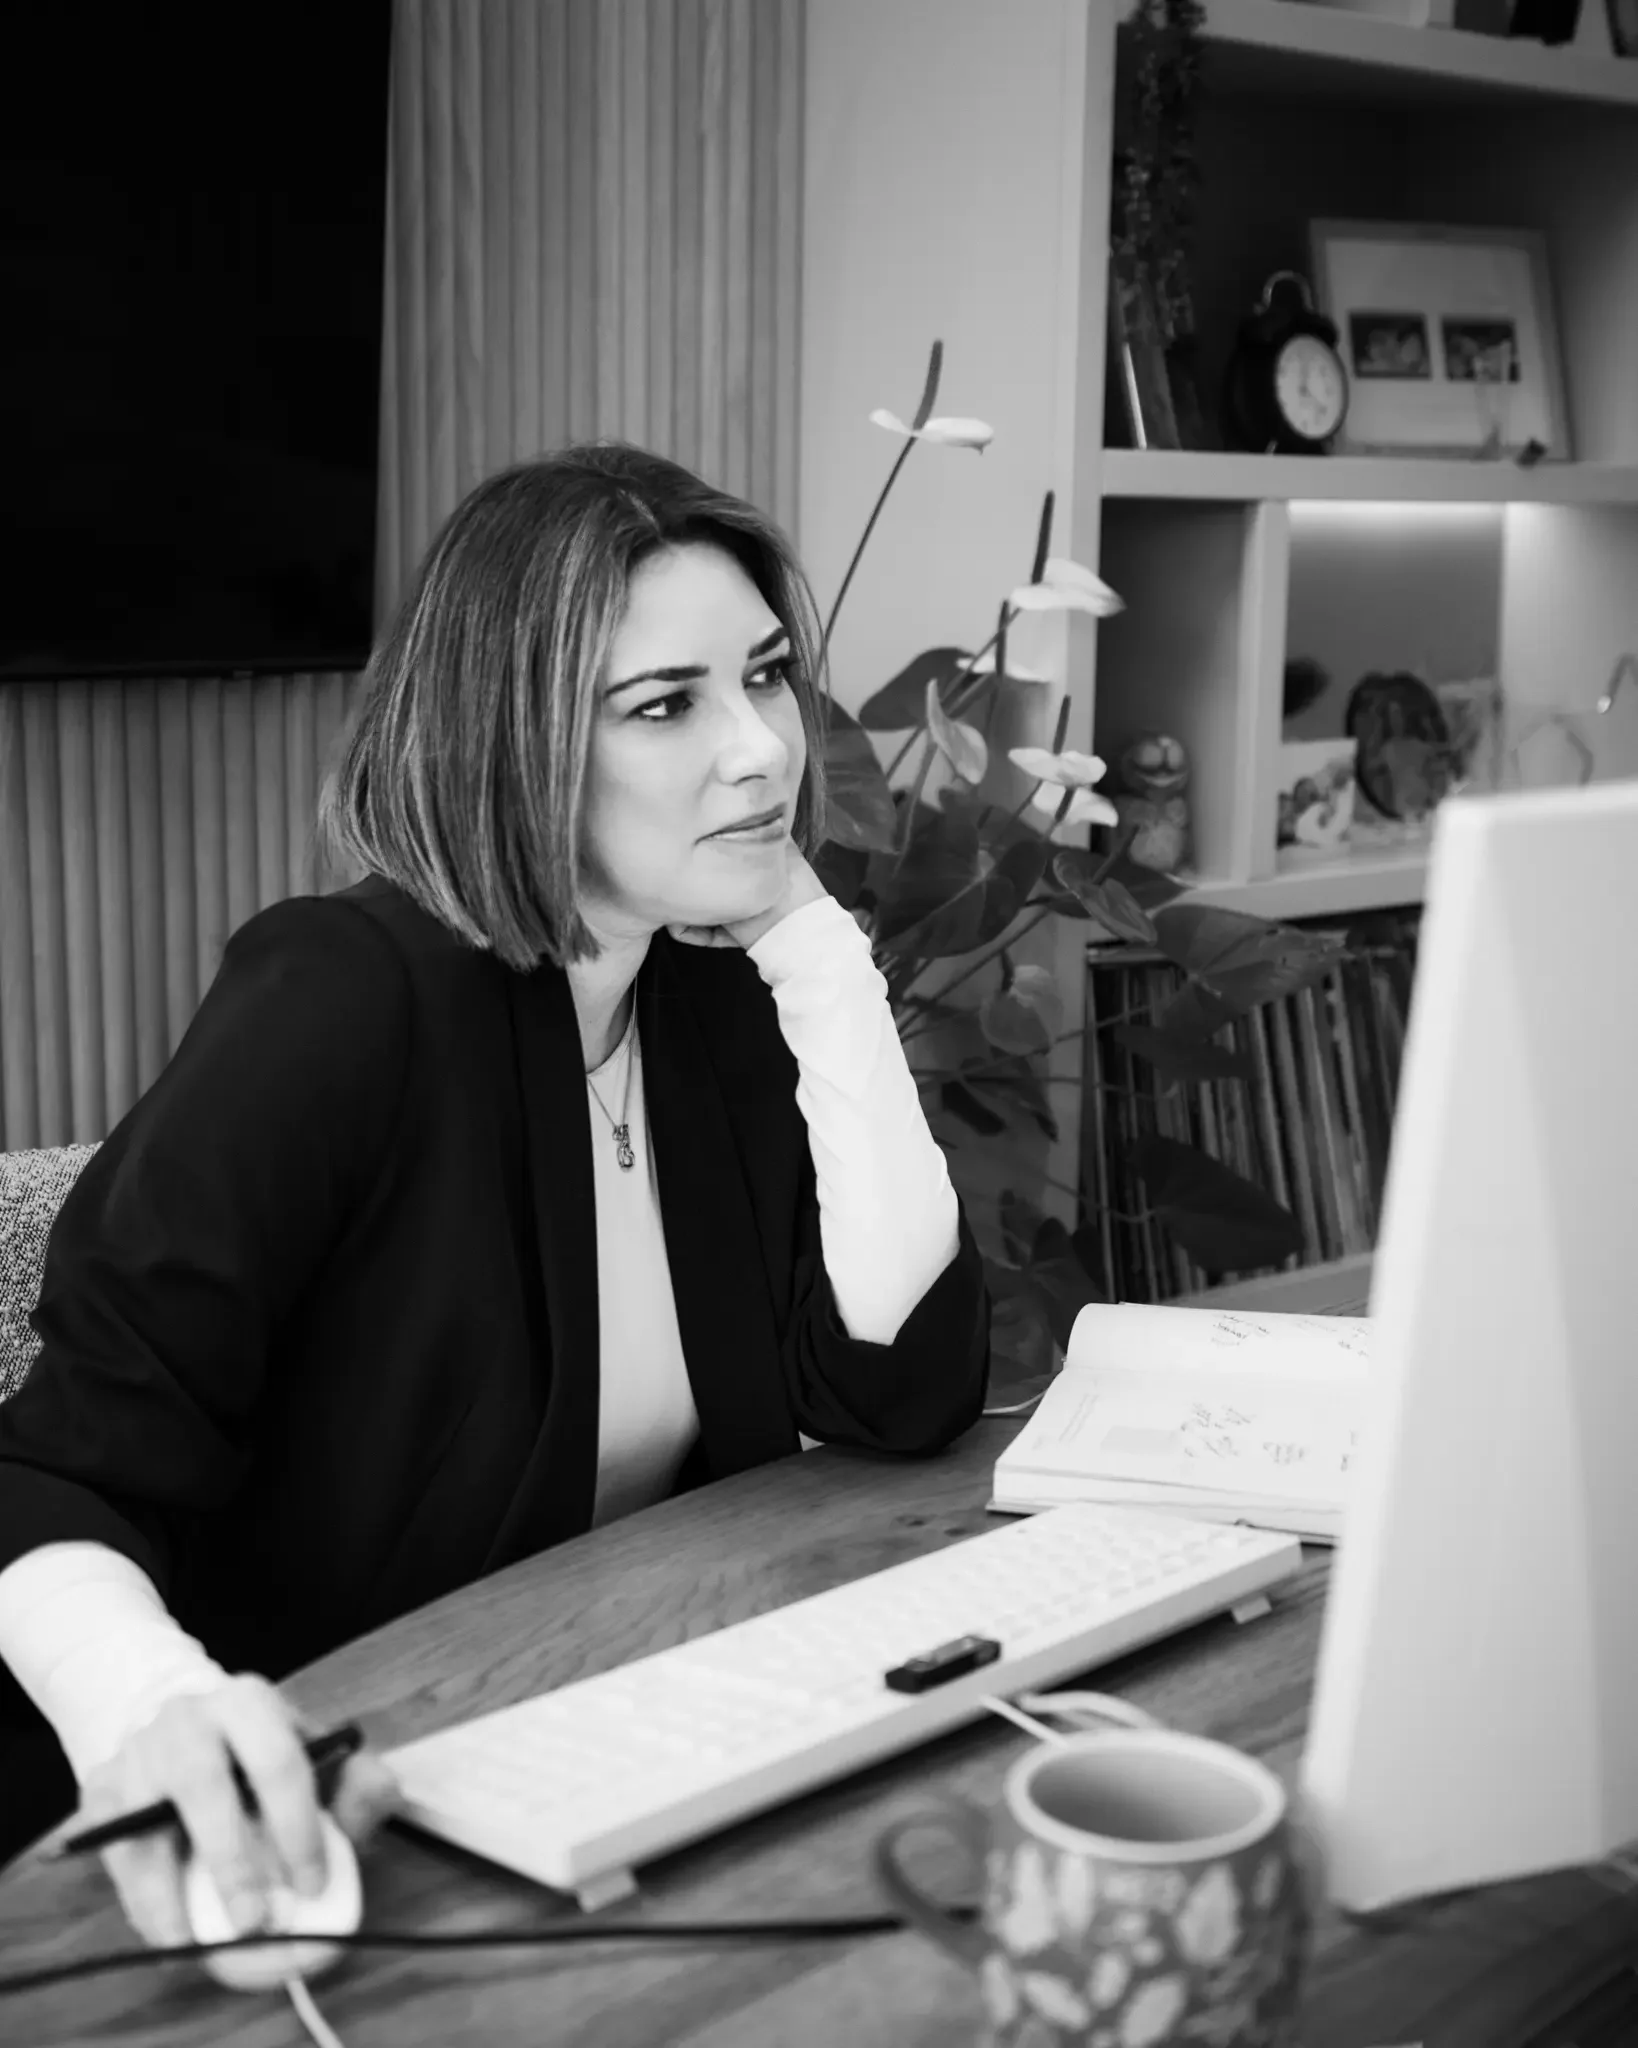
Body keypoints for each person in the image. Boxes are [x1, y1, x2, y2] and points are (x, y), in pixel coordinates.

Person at [0, 442, 989, 1942]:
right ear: (511, 738)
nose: (763, 750)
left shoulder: (709, 997)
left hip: (597, 1756)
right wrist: (159, 1710)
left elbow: (894, 1386)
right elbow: (53, 1469)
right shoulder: (341, 1001)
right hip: (281, 1831)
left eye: (767, 677)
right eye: (666, 705)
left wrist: (820, 950)